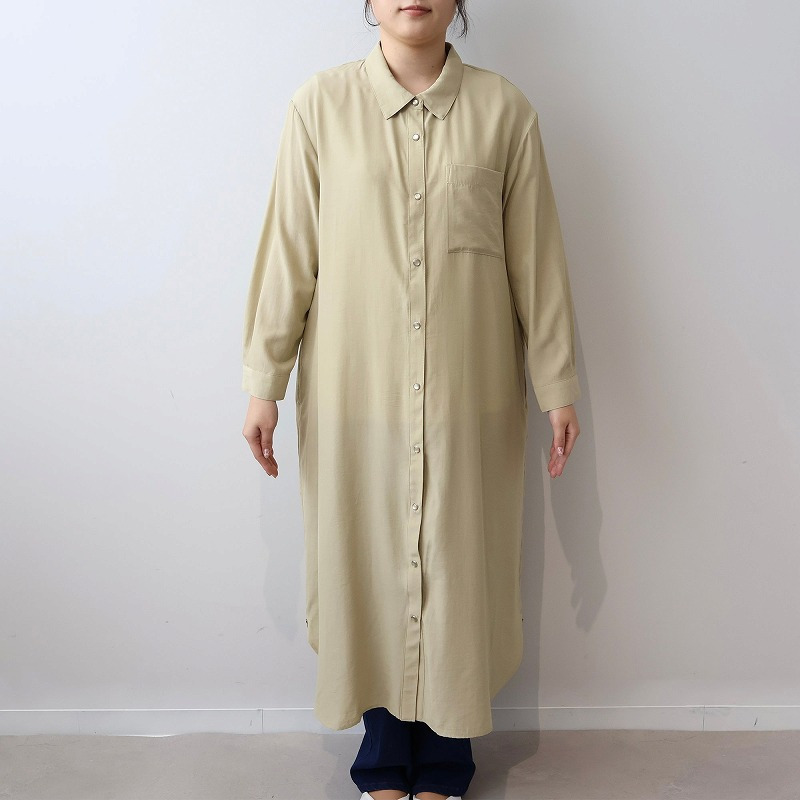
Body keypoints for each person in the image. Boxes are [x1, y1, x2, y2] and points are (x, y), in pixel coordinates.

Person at [241, 1, 582, 798]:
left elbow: (537, 263)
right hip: (355, 394)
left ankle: (449, 760)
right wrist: (265, 381)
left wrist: (557, 384)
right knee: (366, 562)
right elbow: (290, 250)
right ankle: (383, 757)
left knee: (459, 566)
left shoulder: (504, 112)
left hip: (469, 398)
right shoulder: (320, 106)